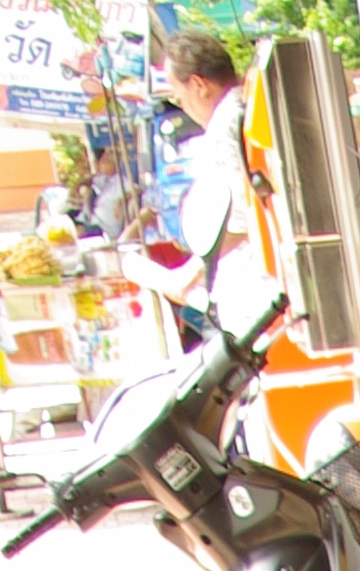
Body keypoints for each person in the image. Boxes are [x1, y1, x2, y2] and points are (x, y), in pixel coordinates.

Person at [132, 29, 261, 342]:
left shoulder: (225, 126)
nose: (182, 107)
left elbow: (243, 217)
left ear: (199, 85)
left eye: (179, 98)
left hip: (255, 291)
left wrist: (190, 273)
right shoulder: (243, 110)